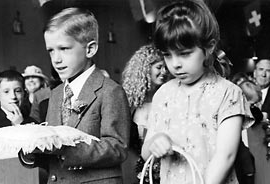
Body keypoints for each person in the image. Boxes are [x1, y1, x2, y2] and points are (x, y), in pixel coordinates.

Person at [141, 1, 254, 184]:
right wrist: (156, 141)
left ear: (209, 47)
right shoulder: (163, 94)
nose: (175, 64)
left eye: (184, 53)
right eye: (167, 55)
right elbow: (146, 152)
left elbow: (226, 155)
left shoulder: (228, 93)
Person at [18, 7, 131, 184]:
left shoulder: (110, 91)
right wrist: (33, 151)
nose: (56, 59)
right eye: (51, 51)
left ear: (90, 49)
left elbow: (117, 147)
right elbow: (53, 156)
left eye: (64, 48)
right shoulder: (55, 94)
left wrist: (68, 149)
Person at [121, 43, 169, 184]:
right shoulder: (129, 104)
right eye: (159, 67)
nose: (164, 72)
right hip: (133, 171)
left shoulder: (169, 98)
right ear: (145, 69)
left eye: (166, 67)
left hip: (164, 169)